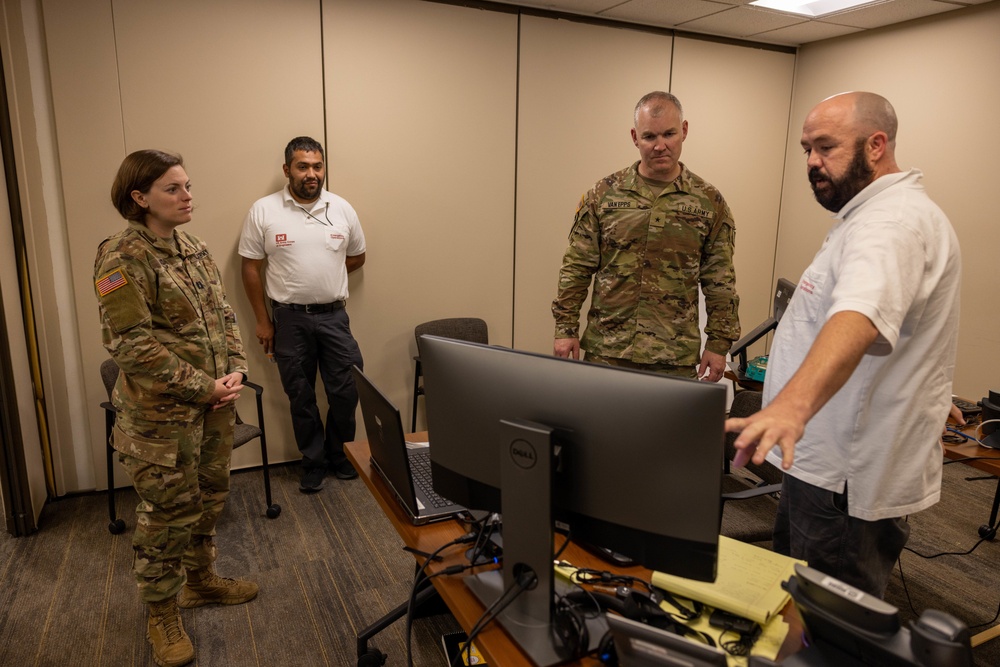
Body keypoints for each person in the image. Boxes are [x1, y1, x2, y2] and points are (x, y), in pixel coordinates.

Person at [726, 92, 961, 598]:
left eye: (826, 147)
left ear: (876, 145)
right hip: (822, 459)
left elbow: (860, 318)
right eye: (807, 148)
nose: (812, 161)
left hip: (843, 477)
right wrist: (928, 388)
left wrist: (789, 407)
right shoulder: (874, 216)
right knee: (790, 599)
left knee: (824, 622)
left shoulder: (889, 225)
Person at [95, 150, 259, 667]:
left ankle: (201, 581)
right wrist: (203, 386)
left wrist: (235, 367)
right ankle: (161, 613)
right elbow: (130, 345)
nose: (188, 196)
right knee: (166, 515)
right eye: (174, 189)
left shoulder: (193, 246)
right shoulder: (120, 258)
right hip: (161, 418)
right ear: (140, 198)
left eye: (187, 185)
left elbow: (224, 313)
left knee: (209, 497)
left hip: (213, 406)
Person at [551, 91, 739, 381]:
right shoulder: (603, 195)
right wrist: (565, 329)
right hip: (607, 350)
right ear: (635, 137)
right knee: (600, 426)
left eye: (669, 134)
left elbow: (720, 280)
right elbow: (576, 268)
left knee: (666, 428)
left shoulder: (708, 201)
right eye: (649, 136)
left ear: (684, 131)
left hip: (674, 355)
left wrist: (718, 344)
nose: (660, 146)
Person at [239, 136, 366, 493]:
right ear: (287, 170)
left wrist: (329, 278)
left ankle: (341, 456)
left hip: (334, 318)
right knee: (301, 394)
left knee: (346, 389)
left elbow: (357, 256)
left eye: (317, 166)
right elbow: (250, 268)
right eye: (303, 166)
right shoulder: (264, 210)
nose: (312, 174)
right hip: (289, 319)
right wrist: (263, 321)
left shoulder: (341, 208)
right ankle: (313, 462)